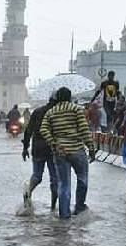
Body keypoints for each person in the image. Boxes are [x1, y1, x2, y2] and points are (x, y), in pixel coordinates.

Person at [40, 87, 96, 219]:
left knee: (63, 184)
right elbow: (83, 129)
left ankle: (64, 214)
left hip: (60, 152)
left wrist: (53, 143)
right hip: (77, 150)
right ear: (70, 97)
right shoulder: (76, 109)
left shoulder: (51, 112)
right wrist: (91, 148)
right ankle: (79, 207)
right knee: (82, 179)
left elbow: (43, 129)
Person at [22, 95, 58, 210]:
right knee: (55, 178)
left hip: (37, 147)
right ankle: (53, 207)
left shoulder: (37, 111)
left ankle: (28, 191)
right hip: (52, 148)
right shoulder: (56, 112)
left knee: (37, 176)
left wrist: (25, 148)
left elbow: (28, 130)